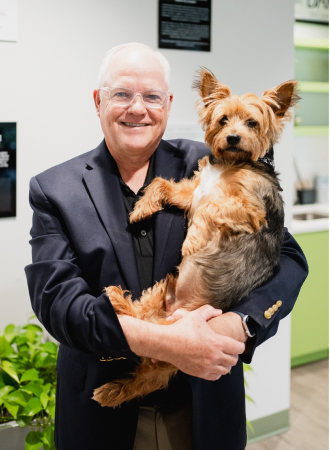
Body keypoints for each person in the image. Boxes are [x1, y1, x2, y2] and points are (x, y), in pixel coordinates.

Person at [25, 43, 308, 450]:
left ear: (169, 104)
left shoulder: (214, 163)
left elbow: (288, 259)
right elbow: (59, 304)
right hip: (102, 422)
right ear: (98, 101)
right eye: (122, 94)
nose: (137, 108)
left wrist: (239, 323)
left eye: (151, 96)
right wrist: (165, 342)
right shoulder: (55, 189)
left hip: (202, 412)